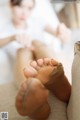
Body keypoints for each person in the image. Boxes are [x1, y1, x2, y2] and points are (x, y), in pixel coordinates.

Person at [0, 0, 71, 119]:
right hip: (24, 62)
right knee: (22, 50)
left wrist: (62, 32)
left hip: (42, 56)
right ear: (10, 5)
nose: (24, 12)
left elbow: (59, 35)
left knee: (37, 42)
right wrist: (13, 37)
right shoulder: (5, 29)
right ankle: (32, 94)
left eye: (29, 8)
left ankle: (55, 76)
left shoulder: (37, 21)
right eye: (21, 6)